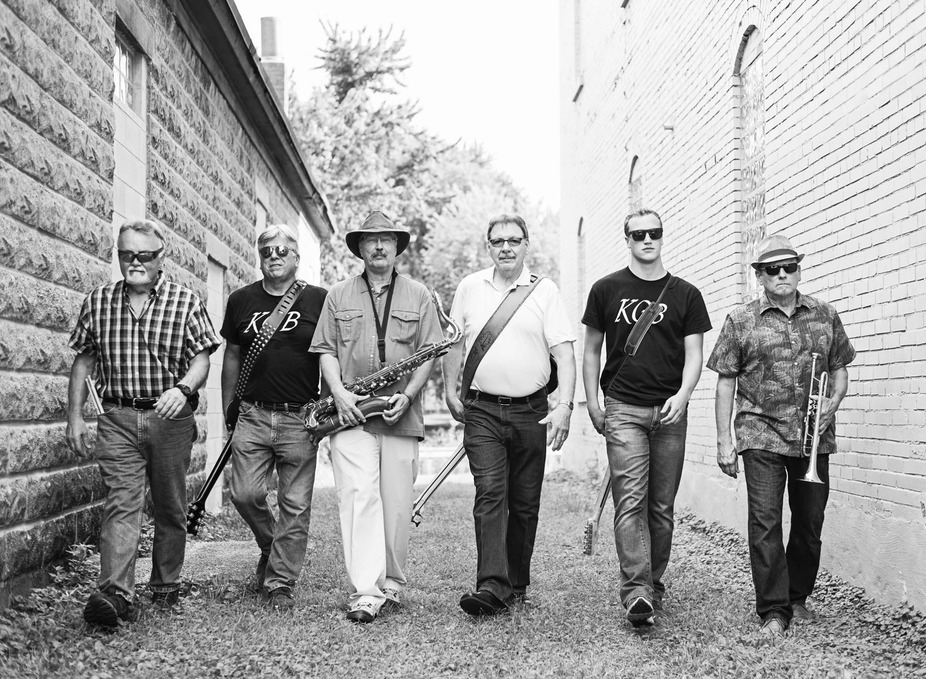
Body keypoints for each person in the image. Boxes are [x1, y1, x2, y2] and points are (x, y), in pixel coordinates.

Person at [66, 219, 220, 627]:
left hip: (170, 418)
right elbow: (83, 361)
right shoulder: (98, 301)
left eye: (144, 255)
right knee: (122, 503)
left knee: (170, 505)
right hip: (117, 418)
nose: (134, 262)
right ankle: (116, 595)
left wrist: (183, 389)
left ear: (160, 256)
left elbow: (202, 359)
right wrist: (75, 417)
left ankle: (165, 585)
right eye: (126, 254)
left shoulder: (185, 301)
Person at [707, 233, 855, 636]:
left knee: (809, 522)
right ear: (760, 275)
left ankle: (796, 597)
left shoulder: (825, 314)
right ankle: (773, 610)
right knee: (765, 522)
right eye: (773, 269)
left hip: (813, 437)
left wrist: (834, 401)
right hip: (760, 433)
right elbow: (725, 381)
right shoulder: (741, 320)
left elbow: (840, 368)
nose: (782, 274)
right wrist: (724, 440)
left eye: (790, 267)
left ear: (798, 270)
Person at [309, 210, 443, 623]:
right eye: (371, 239)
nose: (379, 246)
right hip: (350, 411)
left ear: (397, 246)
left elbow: (429, 353)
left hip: (400, 411)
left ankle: (393, 583)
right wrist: (339, 394)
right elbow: (326, 350)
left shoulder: (419, 294)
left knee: (397, 505)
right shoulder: (338, 294)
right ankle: (366, 592)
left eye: (386, 239)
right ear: (361, 248)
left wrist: (408, 394)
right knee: (358, 497)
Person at [581, 208, 711, 627]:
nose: (647, 240)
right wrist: (593, 402)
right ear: (627, 240)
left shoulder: (686, 294)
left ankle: (652, 582)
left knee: (662, 507)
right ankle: (636, 590)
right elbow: (591, 350)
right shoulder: (606, 289)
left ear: (662, 236)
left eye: (654, 232)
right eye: (638, 235)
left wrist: (684, 395)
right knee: (631, 500)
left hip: (671, 412)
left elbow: (694, 354)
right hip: (623, 408)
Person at [443, 213, 576, 617]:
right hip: (481, 408)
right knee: (490, 493)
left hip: (531, 410)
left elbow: (564, 353)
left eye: (514, 241)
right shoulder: (470, 287)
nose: (506, 248)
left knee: (524, 501)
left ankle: (515, 583)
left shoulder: (545, 291)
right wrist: (450, 390)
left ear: (526, 245)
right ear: (488, 247)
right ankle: (491, 585)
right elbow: (453, 344)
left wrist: (565, 406)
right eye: (498, 241)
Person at [220, 224, 328, 611]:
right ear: (259, 257)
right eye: (267, 250)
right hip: (252, 412)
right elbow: (232, 355)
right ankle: (271, 545)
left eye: (283, 250)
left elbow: (330, 356)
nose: (275, 256)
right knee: (244, 494)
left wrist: (325, 407)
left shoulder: (319, 300)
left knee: (295, 504)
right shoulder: (240, 299)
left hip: (301, 416)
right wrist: (230, 407)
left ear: (297, 257)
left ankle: (280, 582)